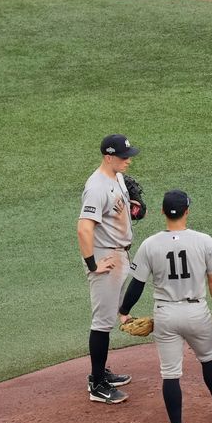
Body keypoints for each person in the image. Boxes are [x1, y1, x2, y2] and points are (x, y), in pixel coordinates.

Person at [119, 190, 212, 423]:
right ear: (187, 211)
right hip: (196, 312)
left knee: (170, 375)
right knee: (208, 359)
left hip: (166, 314)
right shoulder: (203, 240)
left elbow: (137, 284)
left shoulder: (150, 244)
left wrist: (124, 311)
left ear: (162, 212)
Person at [77, 134, 139, 404]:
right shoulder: (96, 187)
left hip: (120, 254)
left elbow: (117, 211)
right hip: (106, 259)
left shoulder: (118, 177)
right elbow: (83, 228)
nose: (128, 160)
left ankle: (101, 372)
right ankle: (97, 384)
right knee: (102, 323)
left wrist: (134, 210)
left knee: (108, 318)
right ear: (108, 157)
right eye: (124, 157)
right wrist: (93, 264)